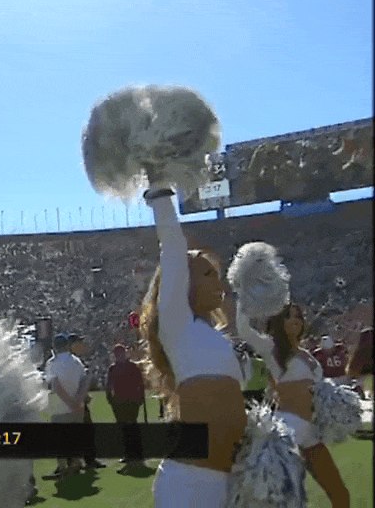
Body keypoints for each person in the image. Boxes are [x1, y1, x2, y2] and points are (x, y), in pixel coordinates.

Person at [139, 184, 246, 507]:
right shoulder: (177, 325)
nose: (218, 281)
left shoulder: (216, 337)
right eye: (207, 274)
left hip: (227, 481)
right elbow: (173, 247)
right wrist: (160, 192)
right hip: (188, 483)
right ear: (183, 283)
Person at [236, 302, 349, 508]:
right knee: (286, 500)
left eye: (298, 316)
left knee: (340, 495)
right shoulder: (271, 348)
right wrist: (246, 298)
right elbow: (244, 330)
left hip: (311, 433)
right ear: (279, 322)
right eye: (289, 316)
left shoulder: (307, 354)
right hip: (287, 432)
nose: (296, 319)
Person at [43, 332, 87, 480]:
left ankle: (62, 469)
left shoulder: (51, 363)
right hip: (77, 406)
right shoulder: (76, 361)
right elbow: (84, 381)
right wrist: (78, 400)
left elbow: (55, 385)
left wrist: (69, 402)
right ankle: (75, 465)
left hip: (60, 407)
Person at [69, 333, 107, 470]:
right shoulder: (73, 362)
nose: (81, 345)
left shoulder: (72, 361)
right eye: (78, 343)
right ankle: (86, 460)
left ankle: (81, 460)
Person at [106, 344, 146, 472]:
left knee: (131, 426)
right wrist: (110, 400)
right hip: (121, 402)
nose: (119, 356)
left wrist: (141, 397)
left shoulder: (132, 367)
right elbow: (109, 386)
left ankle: (136, 453)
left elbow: (140, 383)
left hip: (130, 401)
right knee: (125, 427)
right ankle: (129, 454)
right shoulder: (114, 368)